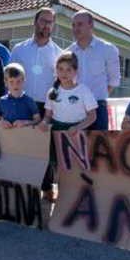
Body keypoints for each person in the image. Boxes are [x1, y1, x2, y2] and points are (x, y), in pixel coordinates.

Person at [38, 52, 98, 201]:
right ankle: (62, 198)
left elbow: (92, 116)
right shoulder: (52, 92)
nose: (64, 73)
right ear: (56, 70)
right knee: (58, 167)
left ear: (76, 71)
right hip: (57, 132)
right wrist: (44, 123)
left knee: (75, 168)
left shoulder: (83, 90)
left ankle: (77, 198)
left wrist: (78, 127)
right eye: (60, 69)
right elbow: (48, 115)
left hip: (76, 133)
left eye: (68, 69)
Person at [65, 10, 120, 130]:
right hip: (74, 107)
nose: (75, 28)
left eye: (80, 24)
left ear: (91, 25)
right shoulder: (68, 53)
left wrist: (97, 99)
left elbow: (114, 80)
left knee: (98, 147)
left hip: (98, 107)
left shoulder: (107, 49)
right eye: (73, 25)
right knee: (76, 146)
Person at [9, 7, 63, 117]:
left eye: (50, 22)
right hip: (20, 105)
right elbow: (9, 78)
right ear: (35, 22)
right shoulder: (19, 50)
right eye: (43, 21)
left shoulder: (59, 54)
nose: (46, 25)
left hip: (47, 110)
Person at [0, 63, 41, 128]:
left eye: (18, 81)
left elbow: (38, 120)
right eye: (11, 81)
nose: (15, 85)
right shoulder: (2, 101)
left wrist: (25, 123)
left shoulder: (29, 101)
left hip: (25, 136)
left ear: (23, 81)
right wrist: (1, 122)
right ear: (5, 82)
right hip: (7, 136)